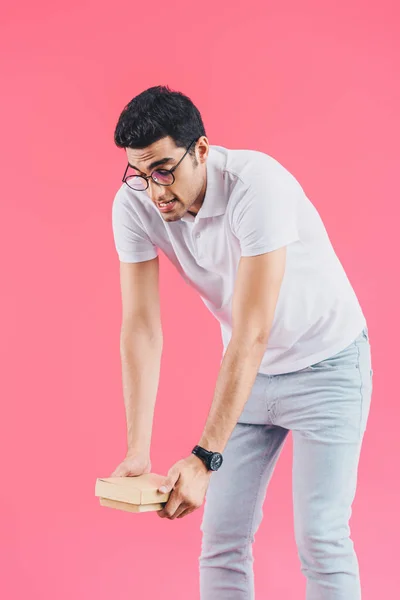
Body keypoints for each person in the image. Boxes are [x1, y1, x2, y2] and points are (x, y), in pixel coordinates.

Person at [110, 85, 373, 600]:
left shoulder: (258, 185)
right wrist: (138, 450)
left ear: (201, 150)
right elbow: (141, 326)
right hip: (250, 380)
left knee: (321, 538)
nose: (155, 189)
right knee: (221, 541)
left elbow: (254, 328)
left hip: (328, 365)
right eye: (140, 174)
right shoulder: (135, 203)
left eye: (164, 169)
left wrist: (205, 457)